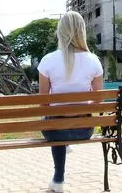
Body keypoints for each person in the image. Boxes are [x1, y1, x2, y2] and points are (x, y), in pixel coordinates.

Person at [38, 11, 104, 193]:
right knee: (61, 123)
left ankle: (58, 179)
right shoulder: (94, 61)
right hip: (84, 130)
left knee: (55, 124)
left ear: (61, 32)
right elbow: (99, 102)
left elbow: (43, 103)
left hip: (54, 132)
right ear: (82, 31)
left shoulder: (48, 61)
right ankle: (65, 143)